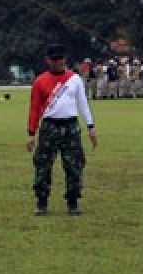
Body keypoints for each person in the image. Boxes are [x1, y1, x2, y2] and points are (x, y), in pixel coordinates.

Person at [27, 45, 97, 215]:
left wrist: (91, 126)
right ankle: (41, 202)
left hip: (71, 127)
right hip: (49, 126)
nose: (58, 62)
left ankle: (73, 202)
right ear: (48, 60)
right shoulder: (40, 81)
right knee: (43, 166)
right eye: (55, 59)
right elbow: (35, 109)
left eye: (61, 59)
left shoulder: (75, 79)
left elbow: (83, 103)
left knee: (74, 166)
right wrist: (31, 133)